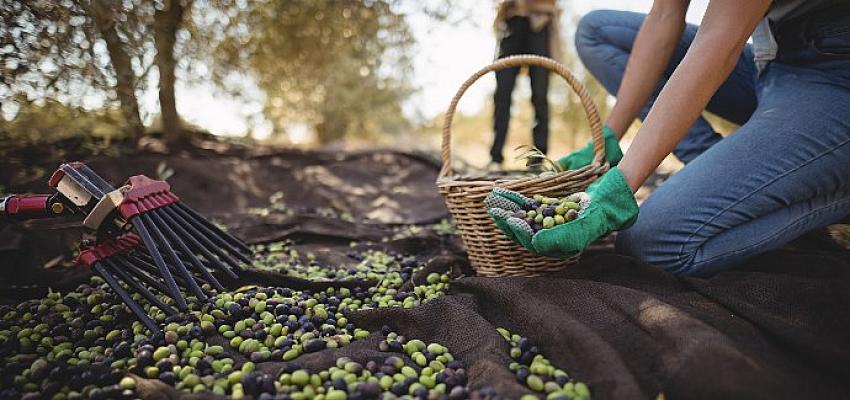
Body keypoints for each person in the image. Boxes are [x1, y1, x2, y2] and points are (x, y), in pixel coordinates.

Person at [488, 0, 850, 276]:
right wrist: (609, 136)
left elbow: (719, 40)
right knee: (599, 30)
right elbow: (664, 16)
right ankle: (728, 168)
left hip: (834, 75)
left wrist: (619, 188)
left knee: (655, 240)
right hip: (769, 61)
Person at [489, 0, 562, 170]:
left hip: (539, 25)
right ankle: (495, 157)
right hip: (512, 25)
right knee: (502, 95)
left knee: (540, 95)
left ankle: (538, 161)